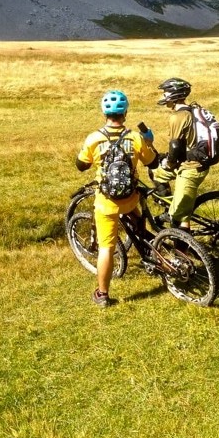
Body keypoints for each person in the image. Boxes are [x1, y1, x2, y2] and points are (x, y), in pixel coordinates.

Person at [75, 90, 159, 307]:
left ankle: (102, 294)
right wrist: (148, 142)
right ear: (126, 112)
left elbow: (81, 165)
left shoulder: (94, 138)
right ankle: (152, 253)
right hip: (130, 198)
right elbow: (153, 163)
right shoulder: (135, 137)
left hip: (106, 202)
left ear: (104, 113)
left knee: (106, 248)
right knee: (140, 226)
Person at [151, 78, 209, 230]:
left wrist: (168, 163)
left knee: (179, 218)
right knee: (155, 173)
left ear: (174, 94)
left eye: (166, 93)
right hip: (195, 162)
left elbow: (175, 147)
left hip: (191, 168)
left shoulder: (177, 117)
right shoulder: (194, 111)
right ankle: (169, 207)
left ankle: (181, 253)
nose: (164, 96)